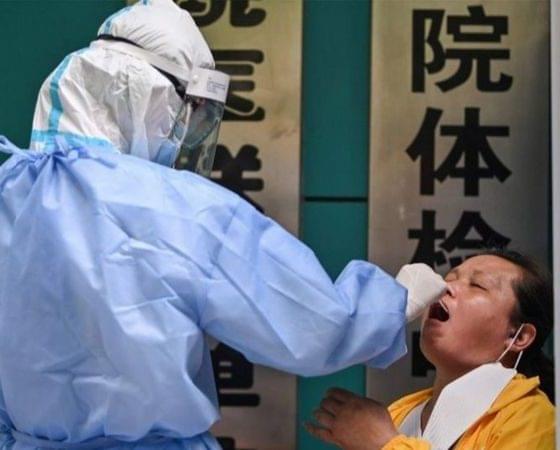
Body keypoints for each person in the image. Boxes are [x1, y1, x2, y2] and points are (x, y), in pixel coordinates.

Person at [0, 1, 446, 449]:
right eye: (185, 112)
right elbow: (311, 324)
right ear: (152, 99)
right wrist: (391, 303)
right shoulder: (177, 206)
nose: (182, 133)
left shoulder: (9, 192)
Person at [307, 249, 555, 449]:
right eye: (449, 278)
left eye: (477, 285)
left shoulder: (532, 417)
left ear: (519, 336)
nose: (445, 287)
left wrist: (385, 444)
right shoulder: (401, 412)